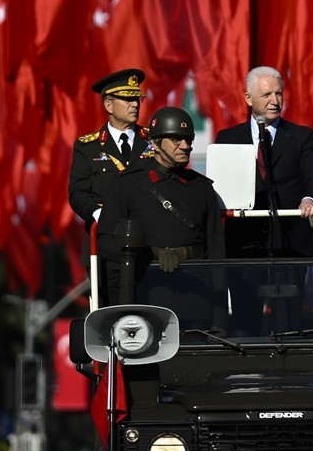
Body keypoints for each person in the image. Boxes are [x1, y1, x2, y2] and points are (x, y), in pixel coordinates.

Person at [214, 66, 313, 334]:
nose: (274, 101)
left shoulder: (300, 136)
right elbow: (219, 186)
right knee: (245, 316)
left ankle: (289, 371)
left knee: (289, 319)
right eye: (266, 95)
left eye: (278, 94)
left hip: (289, 241)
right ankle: (248, 370)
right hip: (245, 242)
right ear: (248, 98)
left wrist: (308, 199)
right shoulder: (228, 138)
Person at [97, 107, 227, 331]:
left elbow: (217, 252)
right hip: (145, 299)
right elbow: (106, 242)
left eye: (188, 140)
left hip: (196, 300)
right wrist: (151, 253)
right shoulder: (127, 185)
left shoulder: (202, 188)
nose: (185, 146)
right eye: (176, 140)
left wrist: (220, 317)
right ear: (155, 144)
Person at [68, 69, 152, 304]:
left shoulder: (153, 141)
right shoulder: (88, 147)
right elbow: (78, 193)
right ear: (108, 105)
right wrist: (99, 215)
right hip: (105, 246)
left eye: (137, 99)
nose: (135, 104)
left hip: (149, 245)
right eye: (127, 99)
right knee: (109, 315)